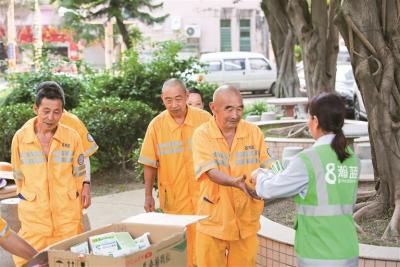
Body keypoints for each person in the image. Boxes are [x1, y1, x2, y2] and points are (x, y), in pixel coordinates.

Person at [252, 93, 360, 267]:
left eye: (309, 117)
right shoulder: (352, 158)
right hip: (348, 249)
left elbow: (271, 189)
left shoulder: (308, 159)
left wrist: (259, 175)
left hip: (318, 252)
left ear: (315, 121)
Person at [191, 85, 274, 267]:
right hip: (213, 220)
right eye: (229, 108)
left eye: (239, 108)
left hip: (246, 220)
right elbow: (210, 171)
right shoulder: (202, 135)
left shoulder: (253, 132)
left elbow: (269, 162)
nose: (235, 115)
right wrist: (234, 182)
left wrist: (282, 176)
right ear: (213, 108)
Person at [11, 83, 86, 266]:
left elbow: (79, 176)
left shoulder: (72, 137)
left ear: (63, 112)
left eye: (56, 112)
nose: (51, 117)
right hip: (34, 223)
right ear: (35, 108)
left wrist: (70, 201)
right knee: (27, 262)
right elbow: (18, 177)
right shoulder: (20, 138)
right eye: (45, 111)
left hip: (67, 222)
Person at [138, 78, 211, 267]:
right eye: (168, 100)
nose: (174, 104)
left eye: (178, 99)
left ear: (187, 96)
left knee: (206, 242)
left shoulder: (204, 120)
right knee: (180, 243)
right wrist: (148, 196)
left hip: (205, 195)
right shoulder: (156, 125)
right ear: (162, 99)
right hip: (174, 197)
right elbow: (149, 163)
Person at [35, 81, 99, 210]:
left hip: (68, 192)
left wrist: (86, 184)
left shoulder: (73, 122)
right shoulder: (31, 126)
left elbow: (84, 157)